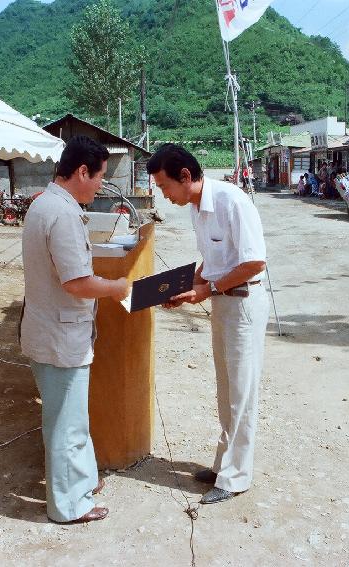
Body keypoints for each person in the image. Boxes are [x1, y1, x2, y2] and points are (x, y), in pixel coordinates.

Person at [148, 144, 268, 505]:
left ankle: (236, 477)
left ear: (186, 176)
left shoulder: (232, 202)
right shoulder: (197, 208)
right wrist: (186, 284)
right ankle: (223, 465)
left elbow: (254, 263)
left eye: (165, 187)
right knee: (226, 389)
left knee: (242, 392)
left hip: (243, 303)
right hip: (223, 302)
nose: (164, 196)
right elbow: (210, 259)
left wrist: (206, 290)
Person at [20, 135, 130, 524]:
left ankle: (82, 481)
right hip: (59, 335)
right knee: (65, 424)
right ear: (81, 171)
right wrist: (116, 288)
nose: (100, 185)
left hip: (51, 330)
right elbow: (76, 282)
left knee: (73, 417)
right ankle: (68, 505)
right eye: (99, 176)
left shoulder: (46, 204)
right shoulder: (62, 214)